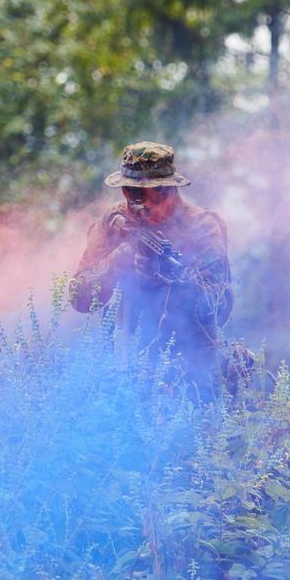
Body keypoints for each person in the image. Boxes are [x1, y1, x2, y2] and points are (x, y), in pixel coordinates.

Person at [70, 142, 233, 393]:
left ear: (167, 191)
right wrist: (117, 261)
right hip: (127, 371)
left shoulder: (202, 228)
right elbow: (79, 299)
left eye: (143, 193)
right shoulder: (114, 222)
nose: (134, 202)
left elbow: (219, 308)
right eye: (128, 190)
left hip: (189, 373)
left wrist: (174, 279)